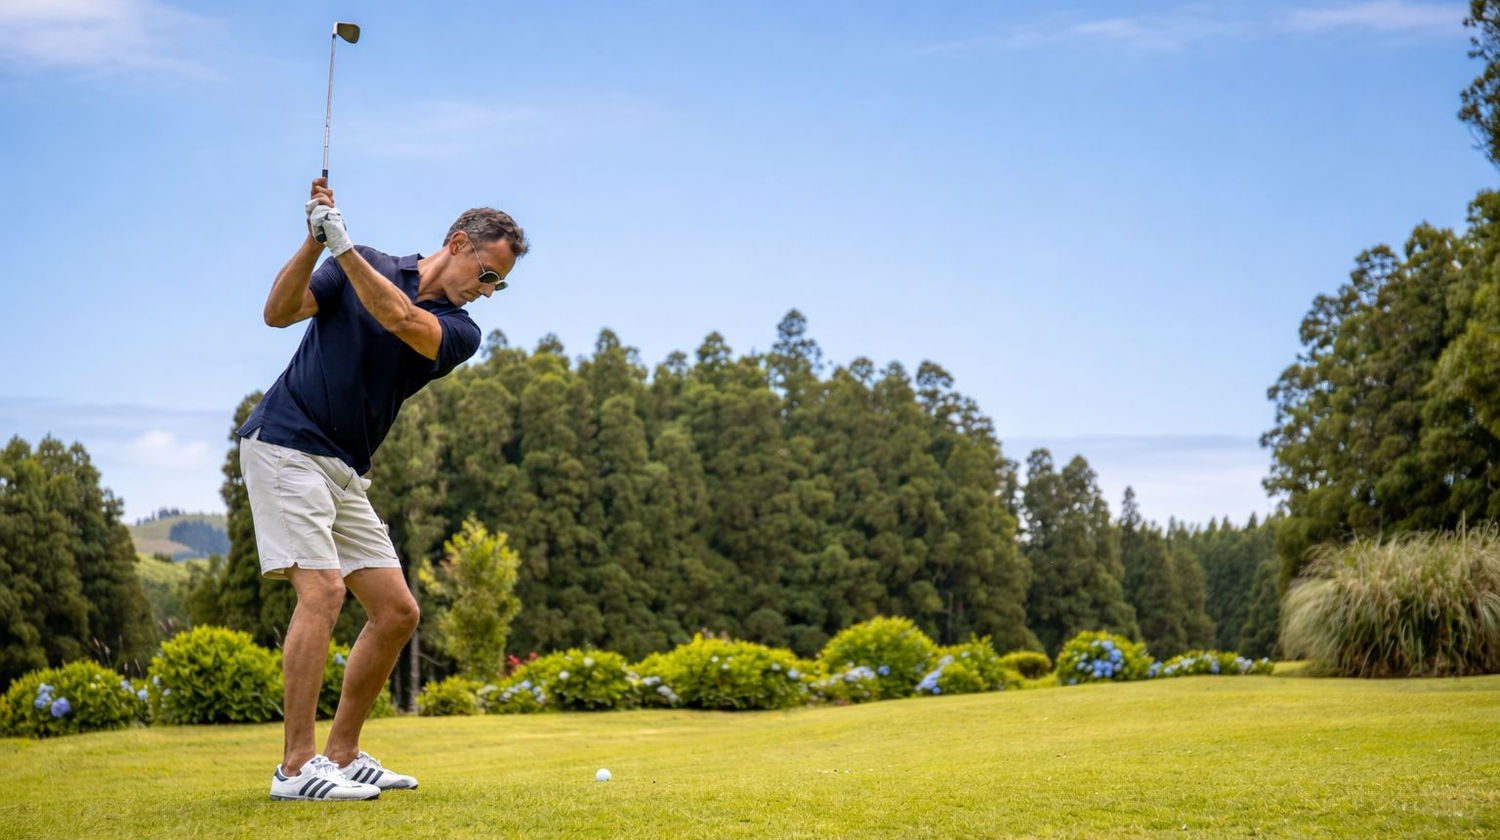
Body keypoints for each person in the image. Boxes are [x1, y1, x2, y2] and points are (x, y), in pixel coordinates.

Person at [239, 178, 527, 801]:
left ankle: (341, 755)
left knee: (397, 612)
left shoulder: (460, 331)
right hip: (286, 443)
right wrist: (314, 241)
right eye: (486, 274)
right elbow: (278, 313)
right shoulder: (360, 261)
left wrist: (339, 246)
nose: (488, 291)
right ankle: (294, 769)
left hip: (344, 467)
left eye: (498, 284)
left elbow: (399, 318)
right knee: (321, 593)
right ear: (457, 243)